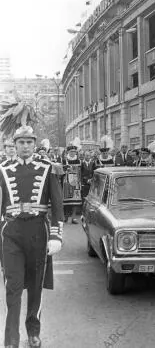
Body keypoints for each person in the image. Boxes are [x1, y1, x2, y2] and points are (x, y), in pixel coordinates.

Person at [0, 125, 63, 348]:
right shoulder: (3, 168)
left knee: (36, 286)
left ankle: (33, 330)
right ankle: (11, 339)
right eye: (21, 142)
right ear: (14, 145)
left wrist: (56, 235)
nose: (25, 146)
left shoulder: (48, 168)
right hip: (12, 233)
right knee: (13, 287)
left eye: (29, 142)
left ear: (34, 144)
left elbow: (57, 205)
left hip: (38, 232)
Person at [62, 145, 82, 224]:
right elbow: (61, 171)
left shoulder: (79, 161)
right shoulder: (64, 160)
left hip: (76, 182)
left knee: (75, 202)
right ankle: (66, 217)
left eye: (74, 152)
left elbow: (81, 172)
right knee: (67, 202)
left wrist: (80, 182)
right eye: (71, 152)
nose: (73, 153)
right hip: (67, 182)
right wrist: (65, 170)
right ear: (68, 152)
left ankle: (73, 218)